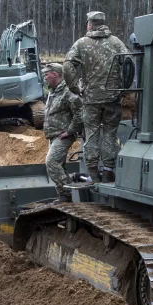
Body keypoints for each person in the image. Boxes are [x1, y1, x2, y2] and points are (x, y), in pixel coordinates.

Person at [64, 11, 126, 183]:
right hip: (112, 98)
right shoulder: (116, 43)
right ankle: (107, 171)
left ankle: (93, 173)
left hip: (91, 99)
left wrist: (75, 88)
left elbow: (67, 66)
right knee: (110, 134)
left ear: (90, 24)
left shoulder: (81, 44)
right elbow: (130, 63)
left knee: (91, 134)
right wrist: (124, 87)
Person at [41, 63, 84, 202]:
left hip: (63, 135)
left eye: (47, 74)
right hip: (54, 135)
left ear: (55, 74)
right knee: (59, 165)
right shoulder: (53, 91)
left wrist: (70, 130)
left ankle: (67, 193)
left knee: (52, 162)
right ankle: (65, 195)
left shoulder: (68, 91)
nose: (45, 77)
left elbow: (80, 112)